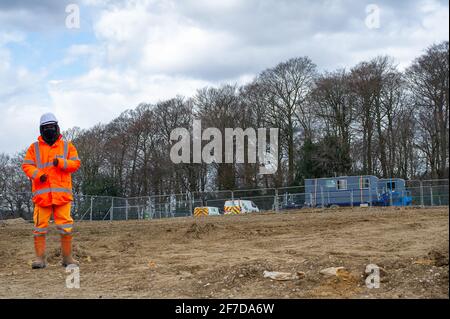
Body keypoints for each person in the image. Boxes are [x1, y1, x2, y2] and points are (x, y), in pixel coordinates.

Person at [22, 113, 81, 269]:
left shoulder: (67, 146)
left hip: (62, 196)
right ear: (41, 130)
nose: (49, 130)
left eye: (51, 127)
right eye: (46, 128)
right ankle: (40, 259)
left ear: (57, 127)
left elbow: (75, 164)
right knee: (39, 228)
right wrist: (39, 175)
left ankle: (68, 259)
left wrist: (61, 162)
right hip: (42, 198)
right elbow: (26, 166)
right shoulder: (33, 148)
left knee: (66, 227)